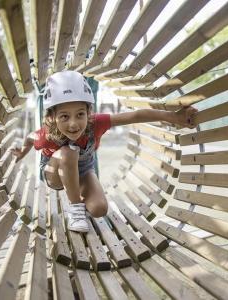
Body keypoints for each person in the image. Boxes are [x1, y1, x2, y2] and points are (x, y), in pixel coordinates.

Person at [11, 71, 197, 233]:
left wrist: (174, 117)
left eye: (80, 114)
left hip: (84, 171)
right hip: (54, 173)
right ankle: (75, 209)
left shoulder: (96, 123)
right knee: (68, 153)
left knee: (99, 209)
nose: (74, 124)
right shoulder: (47, 133)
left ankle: (79, 200)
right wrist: (22, 152)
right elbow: (29, 138)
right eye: (64, 116)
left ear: (88, 112)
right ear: (52, 117)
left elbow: (135, 115)